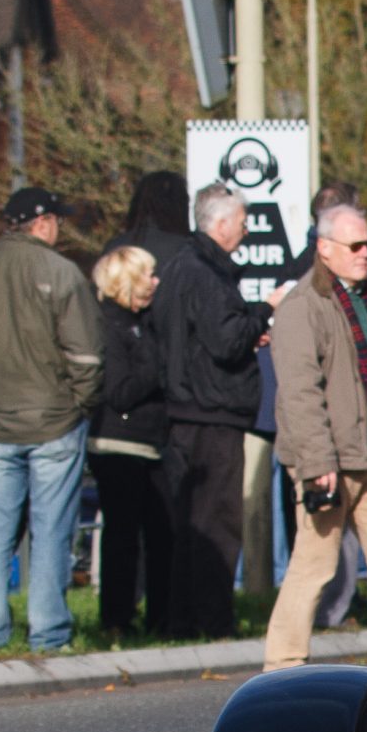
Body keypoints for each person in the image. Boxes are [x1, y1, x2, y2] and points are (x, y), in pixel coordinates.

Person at [263, 203, 367, 677]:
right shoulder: (303, 306)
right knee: (315, 562)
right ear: (324, 248)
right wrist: (318, 461)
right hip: (329, 459)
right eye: (355, 246)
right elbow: (299, 393)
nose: (366, 253)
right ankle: (282, 662)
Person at [0, 185, 103, 650]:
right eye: (56, 220)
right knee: (51, 528)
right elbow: (88, 353)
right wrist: (80, 404)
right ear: (43, 223)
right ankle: (48, 629)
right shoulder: (60, 272)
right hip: (54, 418)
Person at [154, 181, 275, 638]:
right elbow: (224, 340)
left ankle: (186, 619)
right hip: (212, 409)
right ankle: (211, 619)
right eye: (242, 223)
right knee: (216, 521)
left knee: (194, 522)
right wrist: (263, 313)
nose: (245, 232)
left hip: (192, 406)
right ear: (221, 224)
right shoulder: (205, 273)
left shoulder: (182, 267)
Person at [89, 244, 170, 639]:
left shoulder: (144, 322)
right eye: (147, 275)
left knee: (159, 534)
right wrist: (157, 369)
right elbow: (119, 390)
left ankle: (157, 615)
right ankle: (115, 619)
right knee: (122, 537)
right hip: (119, 444)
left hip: (149, 440)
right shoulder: (110, 324)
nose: (155, 283)